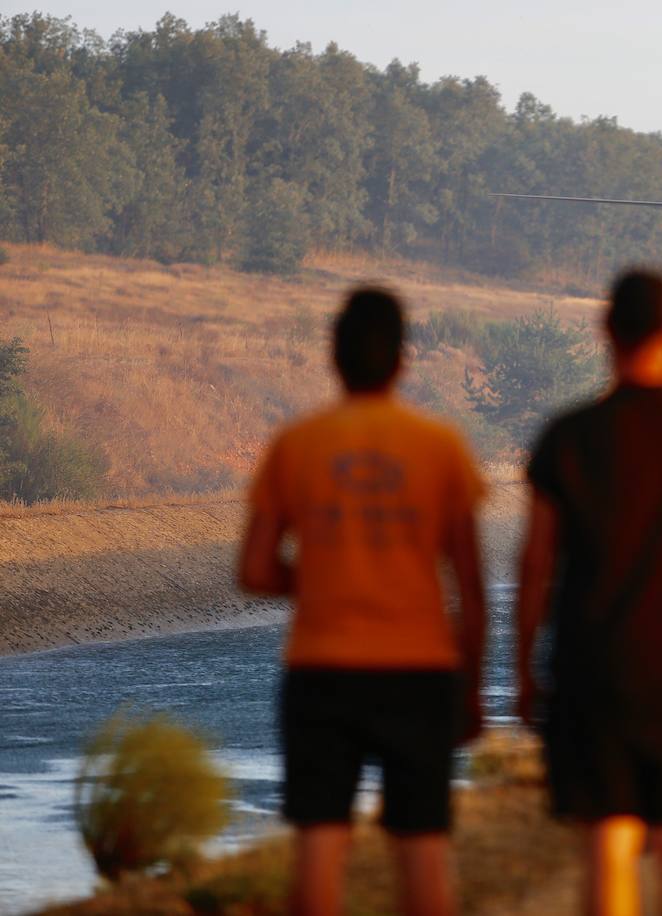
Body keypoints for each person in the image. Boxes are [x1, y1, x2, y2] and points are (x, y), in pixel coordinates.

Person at [238, 286, 487, 916]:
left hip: (321, 672)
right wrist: (473, 689)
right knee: (424, 856)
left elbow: (255, 569)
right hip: (420, 672)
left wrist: (328, 574)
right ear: (403, 360)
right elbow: (472, 587)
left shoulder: (297, 444)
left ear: (334, 356)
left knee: (320, 851)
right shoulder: (440, 446)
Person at [515, 270, 662, 916]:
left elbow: (535, 563)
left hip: (593, 671)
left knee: (608, 846)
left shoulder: (568, 437)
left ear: (605, 332)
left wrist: (523, 673)